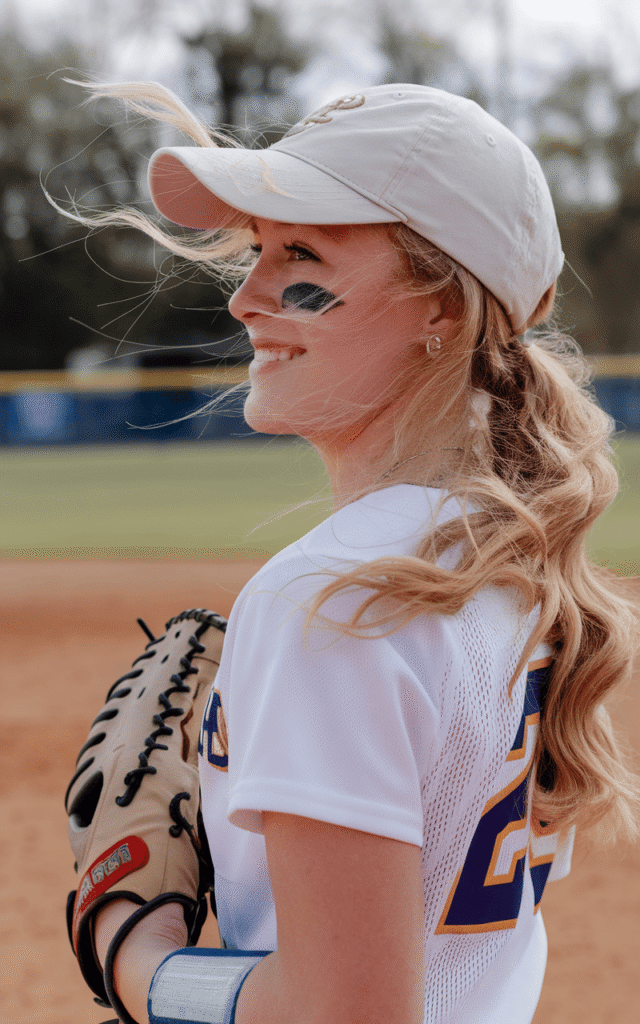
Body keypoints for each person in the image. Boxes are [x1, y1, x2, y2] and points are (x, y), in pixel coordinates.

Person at [57, 82, 639, 1024]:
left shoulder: (334, 602)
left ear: (441, 305)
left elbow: (347, 1012)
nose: (247, 298)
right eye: (256, 252)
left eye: (300, 255)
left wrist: (134, 944)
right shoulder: (509, 567)